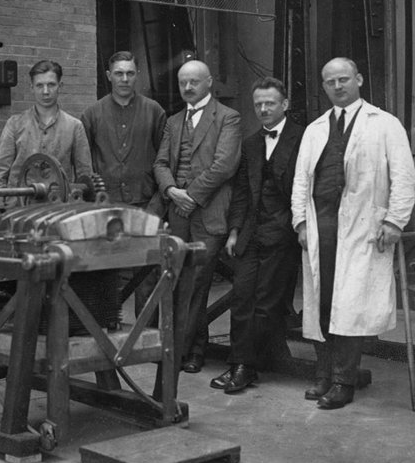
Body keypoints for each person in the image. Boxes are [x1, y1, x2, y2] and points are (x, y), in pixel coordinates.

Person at [290, 57, 415, 409]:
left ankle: (344, 381)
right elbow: (302, 181)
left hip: (363, 227)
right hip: (322, 224)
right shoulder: (315, 129)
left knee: (350, 305)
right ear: (324, 86)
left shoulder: (385, 124)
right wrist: (300, 221)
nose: (338, 86)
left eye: (344, 79)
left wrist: (394, 222)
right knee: (322, 303)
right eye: (330, 82)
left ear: (358, 79)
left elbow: (404, 179)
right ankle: (323, 376)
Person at [211, 77, 303, 394]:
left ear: (285, 104)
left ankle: (246, 367)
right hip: (251, 233)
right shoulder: (250, 144)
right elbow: (241, 194)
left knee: (266, 303)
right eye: (259, 104)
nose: (263, 109)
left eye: (270, 103)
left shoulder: (304, 139)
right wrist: (234, 231)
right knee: (242, 297)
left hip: (285, 236)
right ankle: (240, 364)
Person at [154, 59, 241, 373]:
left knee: (199, 283)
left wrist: (192, 195)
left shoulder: (228, 118)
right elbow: (161, 164)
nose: (187, 88)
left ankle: (184, 353)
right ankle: (190, 350)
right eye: (182, 83)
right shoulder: (174, 121)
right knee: (178, 282)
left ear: (209, 83)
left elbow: (225, 165)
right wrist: (172, 191)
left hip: (208, 213)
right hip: (178, 210)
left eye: (193, 82)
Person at [0, 60, 93, 215]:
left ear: (60, 87)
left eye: (51, 85)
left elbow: (85, 176)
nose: (45, 91)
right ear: (32, 87)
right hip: (19, 212)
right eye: (39, 85)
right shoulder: (15, 125)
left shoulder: (74, 127)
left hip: (59, 211)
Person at [81, 51, 166, 208]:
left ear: (137, 75)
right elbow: (84, 163)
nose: (125, 79)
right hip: (104, 202)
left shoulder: (154, 111)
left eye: (130, 73)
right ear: (108, 75)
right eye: (119, 73)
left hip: (145, 201)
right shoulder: (91, 114)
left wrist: (157, 203)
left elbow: (164, 160)